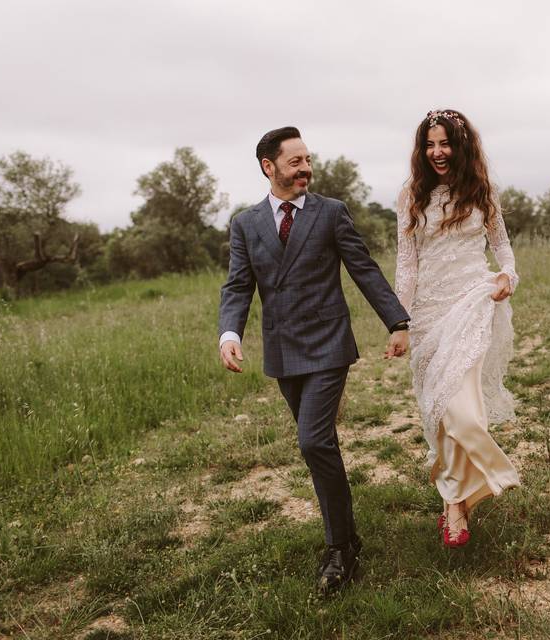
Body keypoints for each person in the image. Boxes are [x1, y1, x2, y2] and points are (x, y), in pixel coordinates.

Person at [218, 126, 410, 596]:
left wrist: (397, 322)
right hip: (283, 350)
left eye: (308, 160)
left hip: (328, 345)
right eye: (295, 161)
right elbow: (239, 284)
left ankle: (339, 549)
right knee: (320, 447)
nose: (305, 168)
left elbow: (363, 268)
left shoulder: (330, 213)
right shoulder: (245, 224)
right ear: (270, 167)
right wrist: (230, 332)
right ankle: (347, 535)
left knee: (312, 440)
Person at [393, 109, 521, 547]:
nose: (437, 152)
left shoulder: (482, 191)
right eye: (429, 144)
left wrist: (507, 277)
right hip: (428, 315)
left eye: (445, 143)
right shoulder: (410, 195)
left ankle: (460, 499)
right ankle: (456, 503)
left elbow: (502, 247)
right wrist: (400, 320)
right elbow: (407, 265)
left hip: (471, 304)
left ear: (461, 146)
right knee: (443, 412)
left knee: (464, 411)